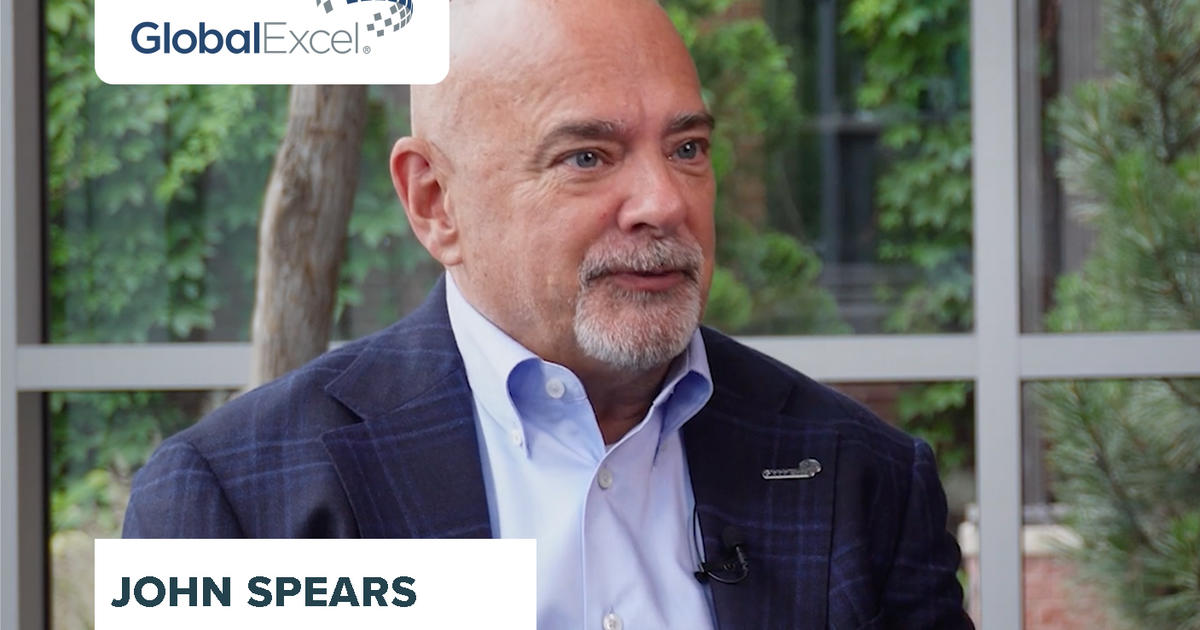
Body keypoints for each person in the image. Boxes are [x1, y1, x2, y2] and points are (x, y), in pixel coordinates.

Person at [124, 0, 973, 628]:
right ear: (434, 202)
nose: (663, 202)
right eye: (587, 157)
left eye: (687, 148)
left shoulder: (863, 477)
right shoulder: (235, 504)